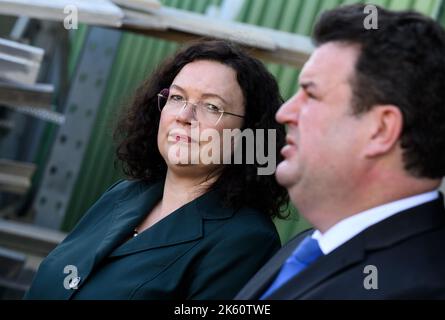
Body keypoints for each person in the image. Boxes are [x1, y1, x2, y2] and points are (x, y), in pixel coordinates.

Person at [25, 39, 289, 300]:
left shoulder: (246, 242)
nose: (184, 116)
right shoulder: (123, 194)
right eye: (177, 97)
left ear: (249, 133)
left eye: (212, 107)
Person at [236, 4, 445, 299]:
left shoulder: (420, 288)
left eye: (311, 94)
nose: (285, 113)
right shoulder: (310, 246)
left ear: (381, 129)